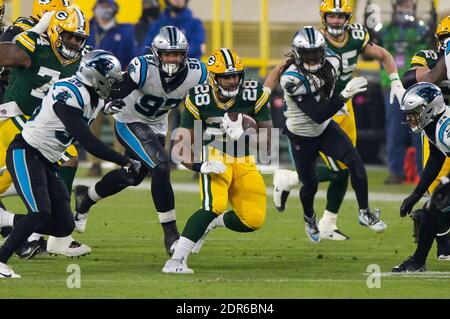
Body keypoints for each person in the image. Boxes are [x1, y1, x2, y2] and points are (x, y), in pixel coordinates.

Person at [0, 50, 141, 278]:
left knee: (63, 226)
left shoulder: (92, 95)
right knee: (38, 213)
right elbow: (88, 141)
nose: (114, 85)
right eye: (112, 80)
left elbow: (88, 110)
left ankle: (5, 219)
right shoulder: (68, 92)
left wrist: (104, 107)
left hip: (47, 160)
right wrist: (124, 160)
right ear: (98, 78)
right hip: (26, 152)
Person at [272, 0, 402, 241]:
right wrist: (262, 98)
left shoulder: (331, 60)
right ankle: (304, 207)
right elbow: (317, 112)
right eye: (307, 54)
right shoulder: (292, 78)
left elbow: (380, 55)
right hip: (304, 130)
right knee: (310, 184)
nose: (313, 59)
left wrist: (394, 80)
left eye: (316, 53)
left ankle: (360, 214)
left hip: (330, 116)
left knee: (352, 162)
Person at [73, 26, 207, 256]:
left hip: (157, 126)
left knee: (133, 175)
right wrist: (110, 101)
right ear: (156, 54)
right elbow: (118, 88)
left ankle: (87, 197)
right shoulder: (143, 66)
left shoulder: (197, 73)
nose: (172, 59)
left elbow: (205, 100)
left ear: (184, 54)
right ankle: (171, 235)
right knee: (162, 164)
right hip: (129, 121)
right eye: (166, 54)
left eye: (176, 53)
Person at [162, 48, 272, 274]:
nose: (233, 81)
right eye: (226, 77)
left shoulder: (253, 93)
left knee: (253, 220)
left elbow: (268, 141)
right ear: (214, 77)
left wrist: (244, 135)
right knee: (214, 205)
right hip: (213, 156)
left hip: (244, 158)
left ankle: (212, 223)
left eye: (235, 75)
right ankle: (176, 260)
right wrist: (199, 165)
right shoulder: (198, 97)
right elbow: (180, 147)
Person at [0, 5, 91, 258]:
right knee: (61, 160)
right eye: (68, 36)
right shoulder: (34, 44)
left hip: (39, 123)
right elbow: (4, 56)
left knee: (22, 178)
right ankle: (43, 231)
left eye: (78, 38)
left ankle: (50, 233)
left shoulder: (80, 60)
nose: (73, 42)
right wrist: (34, 33)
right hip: (16, 117)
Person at [401, 16, 450, 261]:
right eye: (446, 38)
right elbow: (410, 79)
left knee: (441, 200)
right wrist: (442, 70)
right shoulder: (431, 58)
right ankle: (443, 248)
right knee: (437, 192)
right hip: (435, 124)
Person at [393, 82, 450, 272]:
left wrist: (445, 184)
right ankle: (418, 262)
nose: (410, 117)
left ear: (430, 107)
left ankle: (420, 261)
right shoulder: (433, 124)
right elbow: (435, 157)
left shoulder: (445, 129)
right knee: (432, 209)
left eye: (415, 111)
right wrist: (416, 194)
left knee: (434, 209)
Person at [379, 0, 429, 184]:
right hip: (391, 86)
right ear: (395, 8)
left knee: (420, 129)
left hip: (415, 85)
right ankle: (396, 171)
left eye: (407, 5)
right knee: (394, 129)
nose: (404, 9)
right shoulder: (386, 30)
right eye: (401, 5)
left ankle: (423, 171)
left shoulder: (421, 30)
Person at [86, 0, 136, 177]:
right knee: (92, 125)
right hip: (90, 84)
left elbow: (132, 57)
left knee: (120, 125)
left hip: (116, 85)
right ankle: (94, 163)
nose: (103, 10)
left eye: (107, 7)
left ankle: (121, 163)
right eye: (101, 6)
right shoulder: (87, 28)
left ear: (114, 10)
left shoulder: (124, 31)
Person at [141, 0, 205, 59]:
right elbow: (146, 49)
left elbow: (197, 49)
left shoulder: (195, 24)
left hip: (187, 69)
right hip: (158, 69)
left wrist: (169, 52)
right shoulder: (157, 25)